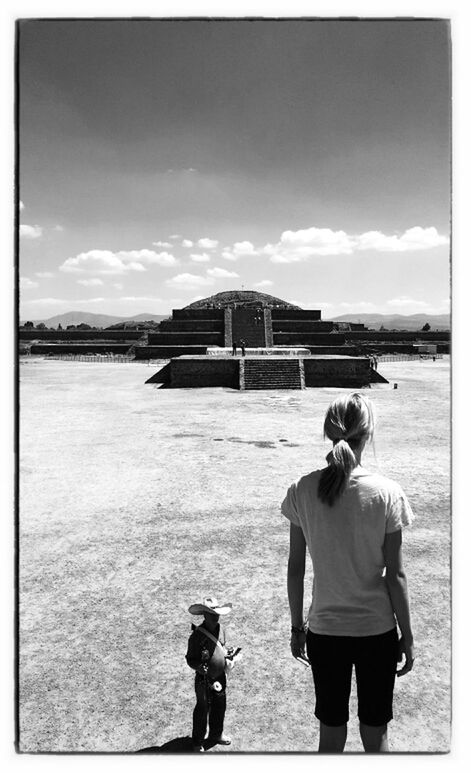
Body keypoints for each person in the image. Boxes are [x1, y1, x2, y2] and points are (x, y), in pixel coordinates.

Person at [282, 393, 415, 753]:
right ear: (367, 434)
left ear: (329, 432)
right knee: (376, 735)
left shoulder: (302, 489)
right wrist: (408, 635)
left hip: (325, 632)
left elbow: (296, 569)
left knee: (331, 736)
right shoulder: (387, 493)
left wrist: (297, 627)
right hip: (376, 631)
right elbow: (395, 575)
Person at [186, 597, 241, 752]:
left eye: (216, 614)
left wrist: (228, 656)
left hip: (220, 677)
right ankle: (197, 742)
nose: (216, 617)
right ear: (205, 615)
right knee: (202, 710)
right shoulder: (196, 636)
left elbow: (222, 648)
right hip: (203, 680)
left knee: (219, 706)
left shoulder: (221, 629)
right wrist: (198, 667)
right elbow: (190, 659)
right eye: (212, 614)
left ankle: (217, 734)